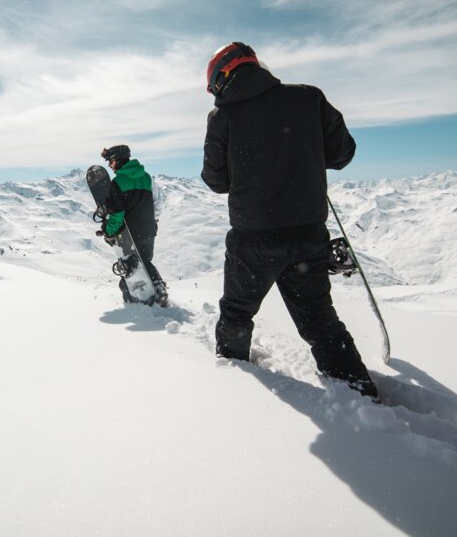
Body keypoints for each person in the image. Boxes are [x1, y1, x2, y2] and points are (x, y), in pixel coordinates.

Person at [200, 42, 379, 401]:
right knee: (317, 317)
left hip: (252, 238)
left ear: (222, 76)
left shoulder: (222, 117)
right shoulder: (309, 98)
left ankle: (231, 385)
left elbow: (215, 180)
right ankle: (357, 390)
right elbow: (342, 154)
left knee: (237, 313)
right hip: (307, 233)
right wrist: (300, 152)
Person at [100, 145, 168, 307]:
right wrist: (151, 222)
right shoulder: (146, 177)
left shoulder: (118, 182)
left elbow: (117, 214)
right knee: (145, 262)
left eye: (111, 161)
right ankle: (158, 289)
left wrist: (108, 231)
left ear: (119, 160)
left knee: (133, 267)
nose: (110, 165)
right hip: (149, 231)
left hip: (129, 233)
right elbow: (158, 204)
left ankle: (140, 300)